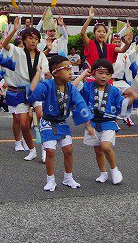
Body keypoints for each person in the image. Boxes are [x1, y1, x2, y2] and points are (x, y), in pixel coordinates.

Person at [29, 55, 93, 192]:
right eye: (67, 68)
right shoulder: (47, 85)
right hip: (47, 122)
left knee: (68, 150)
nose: (71, 72)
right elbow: (34, 94)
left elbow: (81, 105)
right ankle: (50, 180)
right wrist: (38, 73)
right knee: (50, 152)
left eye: (71, 68)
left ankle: (68, 177)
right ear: (56, 72)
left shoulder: (70, 88)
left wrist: (88, 125)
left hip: (62, 122)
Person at [0, 16, 50, 161]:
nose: (33, 41)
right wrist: (14, 30)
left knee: (40, 115)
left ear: (39, 41)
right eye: (30, 38)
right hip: (21, 91)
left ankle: (45, 148)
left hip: (37, 90)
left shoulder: (41, 57)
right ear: (24, 40)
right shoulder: (18, 52)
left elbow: (45, 73)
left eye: (36, 38)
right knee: (24, 124)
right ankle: (32, 149)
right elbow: (6, 45)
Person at [75, 59, 134, 185]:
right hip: (92, 123)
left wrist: (132, 98)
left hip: (108, 122)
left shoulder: (114, 90)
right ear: (93, 74)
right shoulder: (87, 87)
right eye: (100, 73)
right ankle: (103, 172)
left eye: (107, 74)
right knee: (97, 150)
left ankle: (114, 170)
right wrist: (83, 75)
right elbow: (73, 89)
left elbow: (122, 105)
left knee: (105, 146)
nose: (104, 76)